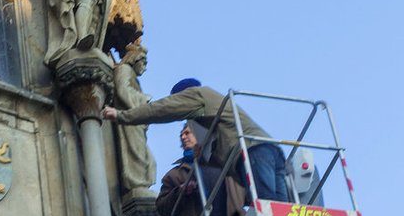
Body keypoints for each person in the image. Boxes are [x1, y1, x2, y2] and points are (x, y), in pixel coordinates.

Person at [104, 77, 289, 203]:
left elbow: (161, 110)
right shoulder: (212, 109)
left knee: (267, 206)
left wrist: (122, 116)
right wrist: (208, 156)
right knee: (283, 212)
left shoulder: (197, 95)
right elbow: (222, 147)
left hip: (252, 152)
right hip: (270, 149)